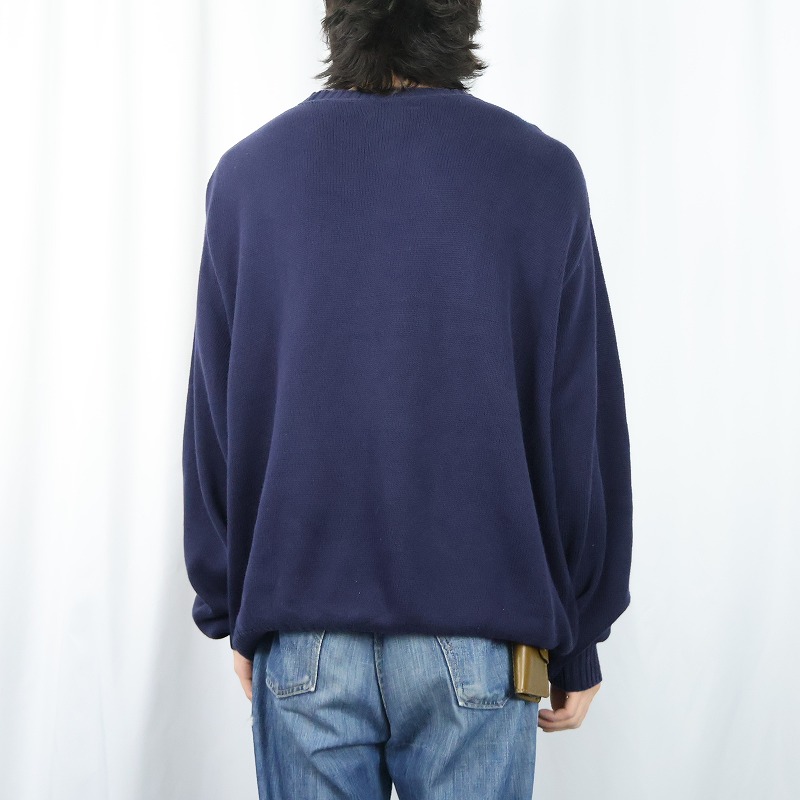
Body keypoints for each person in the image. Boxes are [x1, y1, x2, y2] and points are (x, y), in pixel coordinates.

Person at [182, 1, 633, 797]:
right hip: (481, 637)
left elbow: (219, 418)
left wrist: (235, 604)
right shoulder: (541, 175)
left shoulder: (248, 179)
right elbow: (577, 427)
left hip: (303, 631)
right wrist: (579, 634)